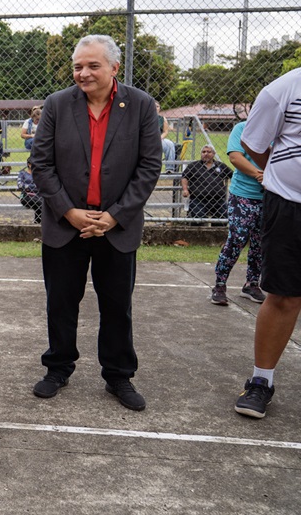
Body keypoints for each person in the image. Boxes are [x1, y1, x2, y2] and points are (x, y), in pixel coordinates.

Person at [29, 34, 161, 411]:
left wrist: (114, 215)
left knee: (117, 305)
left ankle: (118, 375)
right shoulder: (57, 105)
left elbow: (149, 166)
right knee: (61, 302)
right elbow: (41, 164)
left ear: (114, 68)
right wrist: (69, 212)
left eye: (92, 66)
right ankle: (58, 367)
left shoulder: (140, 105)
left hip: (116, 227)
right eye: (77, 67)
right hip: (65, 224)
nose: (83, 73)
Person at [232, 67, 301, 420]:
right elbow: (254, 145)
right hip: (290, 203)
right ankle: (261, 381)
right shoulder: (284, 89)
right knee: (284, 295)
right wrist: (281, 173)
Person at [211, 119, 266, 307]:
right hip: (243, 195)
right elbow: (235, 157)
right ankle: (219, 285)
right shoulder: (242, 128)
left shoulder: (277, 132)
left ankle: (252, 284)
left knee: (261, 243)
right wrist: (260, 175)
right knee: (237, 239)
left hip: (270, 197)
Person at [181, 145, 233, 220]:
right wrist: (185, 189)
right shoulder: (194, 166)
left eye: (209, 152)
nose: (206, 154)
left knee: (223, 219)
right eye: (203, 152)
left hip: (218, 200)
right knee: (197, 220)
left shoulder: (221, 166)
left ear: (214, 154)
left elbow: (233, 176)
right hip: (198, 200)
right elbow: (184, 177)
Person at [155, 100, 177, 169]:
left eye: (157, 106)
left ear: (159, 108)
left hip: (159, 139)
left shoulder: (162, 119)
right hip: (146, 140)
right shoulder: (144, 117)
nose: (155, 108)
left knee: (169, 144)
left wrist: (159, 138)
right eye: (153, 106)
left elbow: (165, 132)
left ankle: (169, 168)